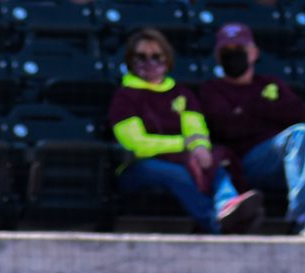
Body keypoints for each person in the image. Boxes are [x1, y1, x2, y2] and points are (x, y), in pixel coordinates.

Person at [197, 21, 305, 238]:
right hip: (247, 164)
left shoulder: (271, 83)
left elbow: (297, 113)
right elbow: (227, 127)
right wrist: (266, 109)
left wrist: (247, 111)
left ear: (254, 53)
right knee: (300, 134)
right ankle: (303, 217)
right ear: (217, 55)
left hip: (289, 160)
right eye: (227, 51)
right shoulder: (212, 90)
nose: (234, 55)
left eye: (240, 49)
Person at [110, 27, 263, 235]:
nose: (149, 62)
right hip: (137, 168)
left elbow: (197, 131)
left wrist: (200, 148)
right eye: (141, 57)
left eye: (156, 56)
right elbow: (137, 144)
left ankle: (228, 206)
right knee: (177, 173)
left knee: (214, 164)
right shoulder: (124, 97)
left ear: (167, 59)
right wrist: (184, 144)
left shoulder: (182, 94)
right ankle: (217, 225)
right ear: (130, 60)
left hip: (183, 160)